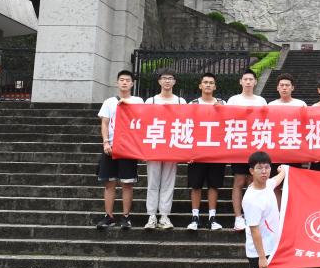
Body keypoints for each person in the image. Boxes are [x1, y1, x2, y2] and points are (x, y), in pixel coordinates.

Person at [95, 70, 143, 229]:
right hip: (111, 146)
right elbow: (105, 123)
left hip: (128, 147)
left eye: (127, 80)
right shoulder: (109, 102)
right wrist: (105, 142)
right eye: (121, 79)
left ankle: (126, 216)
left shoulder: (138, 101)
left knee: (127, 183)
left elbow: (142, 120)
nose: (124, 82)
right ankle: (108, 216)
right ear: (117, 82)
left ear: (132, 84)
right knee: (109, 183)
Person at [143, 69, 187, 230]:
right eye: (164, 78)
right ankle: (151, 215)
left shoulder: (181, 101)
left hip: (172, 146)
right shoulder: (151, 101)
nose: (167, 81)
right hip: (155, 144)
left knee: (169, 182)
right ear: (159, 81)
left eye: (170, 78)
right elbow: (144, 122)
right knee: (152, 182)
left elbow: (187, 122)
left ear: (174, 81)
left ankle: (164, 215)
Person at [227, 69, 267, 231]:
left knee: (253, 181)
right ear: (241, 81)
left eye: (251, 79)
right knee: (239, 181)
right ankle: (238, 217)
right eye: (245, 79)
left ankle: (252, 215)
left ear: (255, 82)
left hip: (256, 145)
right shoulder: (233, 100)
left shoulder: (261, 100)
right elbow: (226, 119)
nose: (248, 82)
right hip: (239, 144)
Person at [187, 72, 226, 231]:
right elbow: (187, 126)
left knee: (214, 185)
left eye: (211, 82)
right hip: (197, 151)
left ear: (215, 86)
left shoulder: (223, 104)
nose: (208, 85)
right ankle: (195, 217)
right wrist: (188, 152)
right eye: (205, 82)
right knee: (196, 185)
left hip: (216, 151)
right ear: (200, 85)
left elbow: (228, 125)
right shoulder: (193, 104)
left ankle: (212, 217)